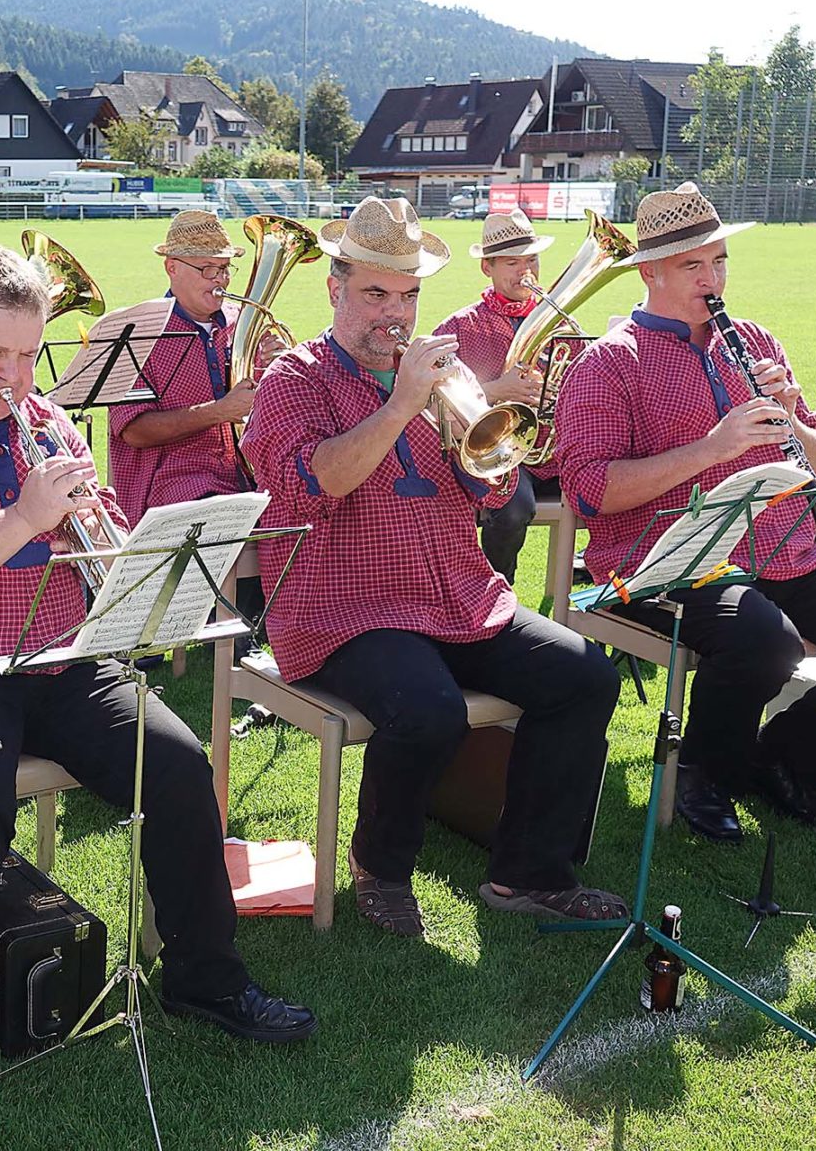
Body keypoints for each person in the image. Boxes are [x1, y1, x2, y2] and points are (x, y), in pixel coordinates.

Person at [0, 246, 314, 1127]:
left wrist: (122, 551)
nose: (14, 378)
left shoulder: (49, 421)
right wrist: (26, 515)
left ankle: (206, 979)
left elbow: (105, 545)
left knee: (178, 765)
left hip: (57, 656)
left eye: (27, 355)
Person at [242, 198, 624, 938]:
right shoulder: (294, 378)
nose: (395, 314)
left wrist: (488, 453)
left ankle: (530, 873)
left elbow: (495, 492)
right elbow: (310, 485)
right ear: (334, 290)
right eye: (376, 294)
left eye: (409, 295)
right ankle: (381, 867)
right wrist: (400, 407)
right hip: (345, 607)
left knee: (585, 678)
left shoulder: (441, 376)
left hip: (455, 593)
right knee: (427, 711)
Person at [555, 182, 816, 843]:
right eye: (693, 264)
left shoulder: (754, 340)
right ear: (649, 271)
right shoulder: (608, 364)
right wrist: (712, 448)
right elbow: (588, 490)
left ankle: (785, 759)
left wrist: (793, 417)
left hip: (785, 548)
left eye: (720, 260)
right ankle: (707, 773)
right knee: (764, 641)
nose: (713, 278)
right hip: (669, 560)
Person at [107, 210, 255, 526]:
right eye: (207, 269)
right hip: (171, 490)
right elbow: (133, 431)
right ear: (172, 267)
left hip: (245, 479)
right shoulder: (138, 332)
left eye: (225, 269)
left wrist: (274, 368)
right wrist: (218, 411)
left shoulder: (243, 322)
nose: (220, 279)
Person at [430, 210, 553, 584]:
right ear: (488, 268)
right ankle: (498, 588)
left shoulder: (556, 322)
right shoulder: (459, 327)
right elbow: (431, 396)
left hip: (553, 452)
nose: (526, 271)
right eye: (512, 262)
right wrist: (497, 391)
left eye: (532, 260)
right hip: (495, 455)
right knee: (514, 510)